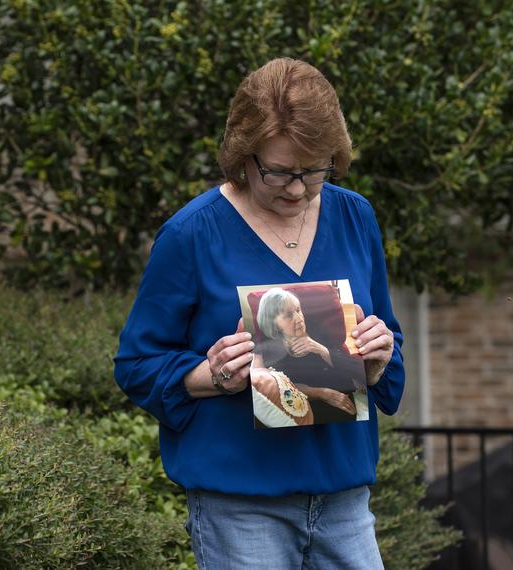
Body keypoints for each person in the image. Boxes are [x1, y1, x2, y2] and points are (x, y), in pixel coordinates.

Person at [114, 57, 403, 568]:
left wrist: (378, 359)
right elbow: (136, 364)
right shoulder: (192, 233)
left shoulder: (355, 216)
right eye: (278, 172)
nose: (296, 189)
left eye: (315, 170)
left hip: (346, 502)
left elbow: (388, 346)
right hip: (241, 510)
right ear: (243, 156)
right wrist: (211, 374)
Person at [254, 287, 361, 423]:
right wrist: (322, 393)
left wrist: (320, 349)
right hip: (306, 405)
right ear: (273, 324)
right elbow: (282, 388)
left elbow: (349, 368)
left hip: (341, 394)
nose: (299, 319)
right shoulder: (269, 350)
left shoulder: (317, 328)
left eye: (298, 310)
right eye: (288, 315)